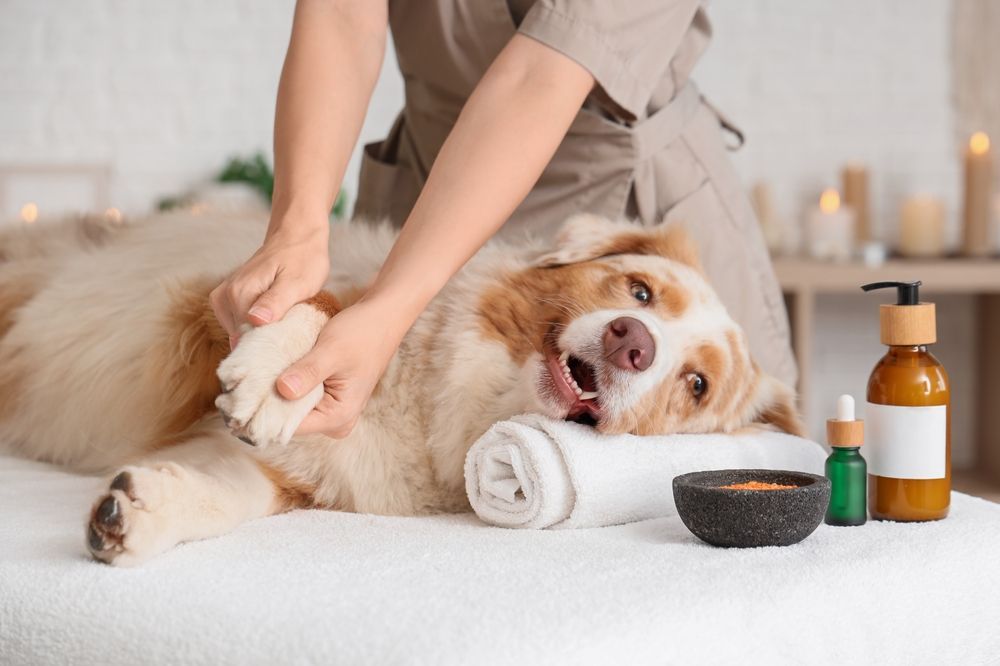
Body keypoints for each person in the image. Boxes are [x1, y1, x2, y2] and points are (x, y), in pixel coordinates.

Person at [210, 0, 796, 439]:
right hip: (428, 179)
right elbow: (342, 13)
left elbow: (538, 77)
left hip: (611, 198)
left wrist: (388, 310)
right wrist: (298, 227)